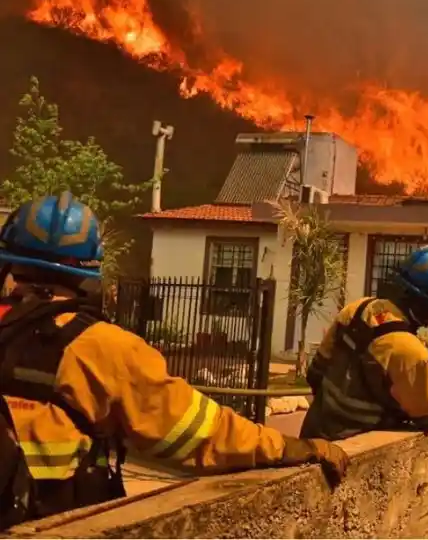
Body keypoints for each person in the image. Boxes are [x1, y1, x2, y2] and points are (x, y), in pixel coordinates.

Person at [0, 192, 350, 529]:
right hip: (51, 521)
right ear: (89, 269)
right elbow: (199, 432)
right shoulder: (105, 349)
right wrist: (288, 446)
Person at [300, 244, 428, 441]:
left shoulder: (358, 308)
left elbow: (315, 374)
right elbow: (427, 416)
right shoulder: (410, 352)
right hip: (350, 452)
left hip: (313, 436)